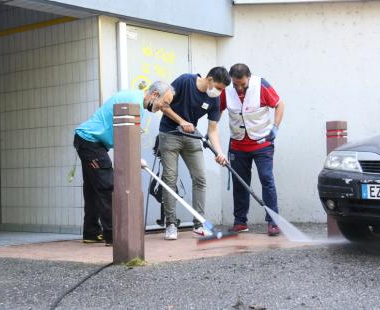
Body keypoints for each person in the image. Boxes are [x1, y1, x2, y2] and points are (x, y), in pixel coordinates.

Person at [74, 82, 175, 245]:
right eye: (164, 103)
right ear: (155, 94)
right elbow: (126, 137)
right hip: (90, 142)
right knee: (107, 187)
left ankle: (91, 233)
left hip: (89, 141)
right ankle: (114, 236)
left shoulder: (136, 101)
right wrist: (136, 158)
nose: (162, 108)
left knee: (93, 189)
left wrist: (136, 158)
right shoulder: (134, 104)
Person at [159, 67, 231, 240]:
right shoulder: (185, 81)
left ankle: (199, 224)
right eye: (219, 87)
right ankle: (170, 224)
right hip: (169, 134)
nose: (219, 92)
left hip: (191, 136)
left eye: (222, 90)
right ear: (210, 79)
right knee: (170, 178)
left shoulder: (215, 99)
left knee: (200, 178)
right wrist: (182, 121)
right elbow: (163, 104)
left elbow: (212, 130)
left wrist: (220, 153)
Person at [220, 63, 285, 236]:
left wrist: (275, 128)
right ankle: (240, 222)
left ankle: (273, 222)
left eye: (243, 84)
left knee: (266, 179)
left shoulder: (261, 85)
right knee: (240, 183)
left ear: (249, 77)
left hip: (262, 143)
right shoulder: (226, 90)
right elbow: (216, 111)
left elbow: (279, 104)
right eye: (236, 84)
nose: (239, 88)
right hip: (237, 145)